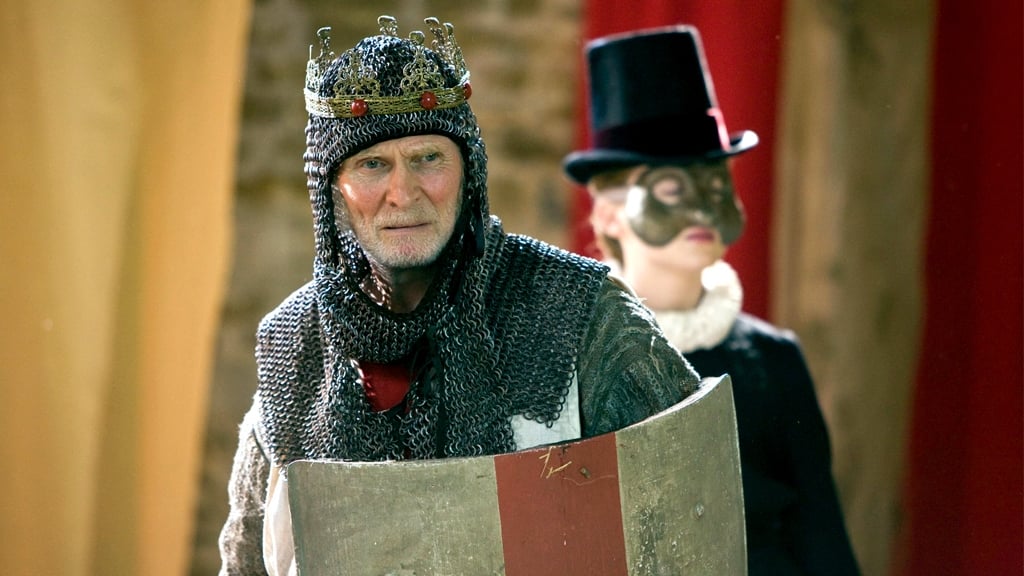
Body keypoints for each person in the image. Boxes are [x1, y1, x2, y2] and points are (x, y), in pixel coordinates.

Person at [218, 16, 701, 575]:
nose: (403, 193)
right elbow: (246, 563)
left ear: (468, 170)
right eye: (372, 165)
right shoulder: (296, 342)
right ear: (334, 189)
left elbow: (688, 524)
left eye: (428, 158)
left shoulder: (578, 311)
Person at [562, 26, 861, 575]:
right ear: (608, 214)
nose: (702, 209)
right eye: (672, 189)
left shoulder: (773, 360)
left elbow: (821, 537)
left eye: (716, 185)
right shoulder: (570, 361)